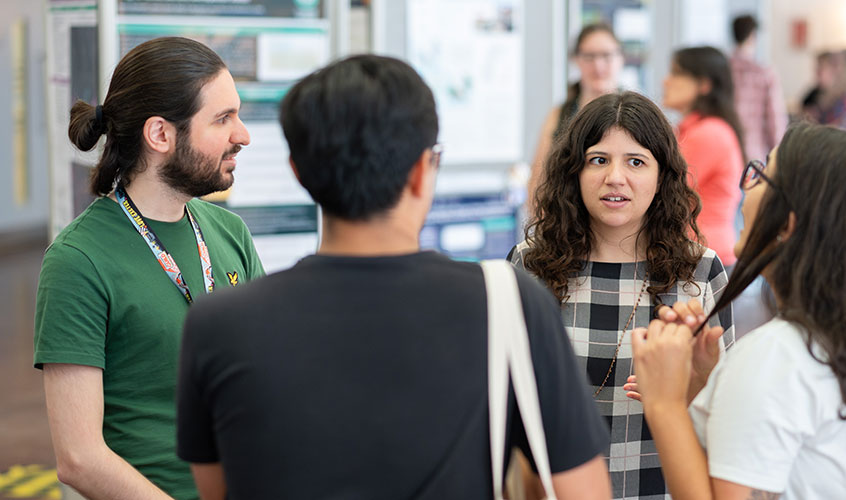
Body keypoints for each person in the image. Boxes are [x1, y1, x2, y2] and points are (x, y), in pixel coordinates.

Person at [175, 54, 611, 500]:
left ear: (300, 174)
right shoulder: (507, 302)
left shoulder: (218, 324)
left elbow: (221, 491)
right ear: (424, 170)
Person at [630, 124, 846, 499]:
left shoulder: (775, 354)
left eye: (760, 176)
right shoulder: (838, 343)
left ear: (787, 225)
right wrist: (707, 387)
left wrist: (664, 402)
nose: (745, 186)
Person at [33, 37, 264, 500]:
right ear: (160, 134)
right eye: (222, 119)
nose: (243, 135)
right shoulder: (78, 261)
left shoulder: (229, 233)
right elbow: (80, 458)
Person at [508, 90, 734, 499]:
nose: (615, 177)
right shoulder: (530, 265)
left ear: (662, 175)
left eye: (636, 162)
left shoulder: (699, 271)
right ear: (573, 172)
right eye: (599, 160)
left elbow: (730, 417)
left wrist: (689, 387)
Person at [663, 46, 745, 267]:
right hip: (697, 251)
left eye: (676, 73)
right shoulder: (693, 129)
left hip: (704, 256)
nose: (666, 82)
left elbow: (665, 191)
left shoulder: (709, 132)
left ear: (704, 85)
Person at [527, 23, 624, 211]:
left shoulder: (637, 116)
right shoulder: (560, 115)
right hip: (568, 224)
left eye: (606, 55)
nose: (598, 65)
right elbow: (537, 183)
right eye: (589, 56)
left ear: (620, 58)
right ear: (576, 59)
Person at [729, 14, 787, 164]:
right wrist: (780, 154)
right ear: (752, 35)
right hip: (754, 152)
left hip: (727, 147)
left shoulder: (723, 69)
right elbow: (775, 119)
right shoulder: (765, 73)